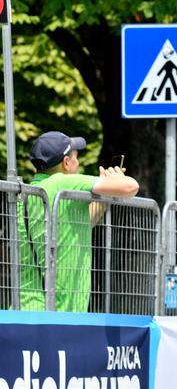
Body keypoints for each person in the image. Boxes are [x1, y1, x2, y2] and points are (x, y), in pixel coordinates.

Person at [19, 131, 140, 312]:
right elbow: (131, 187)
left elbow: (81, 224)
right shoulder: (62, 182)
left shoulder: (30, 191)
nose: (79, 162)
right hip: (57, 311)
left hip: (27, 308)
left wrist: (106, 193)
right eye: (76, 157)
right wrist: (117, 179)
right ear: (66, 163)